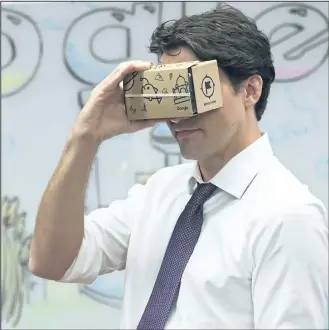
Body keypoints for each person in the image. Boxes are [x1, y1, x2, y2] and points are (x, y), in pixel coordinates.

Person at [29, 3, 328, 329]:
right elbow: (52, 261)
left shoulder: (288, 216)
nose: (177, 115)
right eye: (169, 93)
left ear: (250, 90)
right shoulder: (160, 193)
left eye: (196, 90)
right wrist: (86, 137)